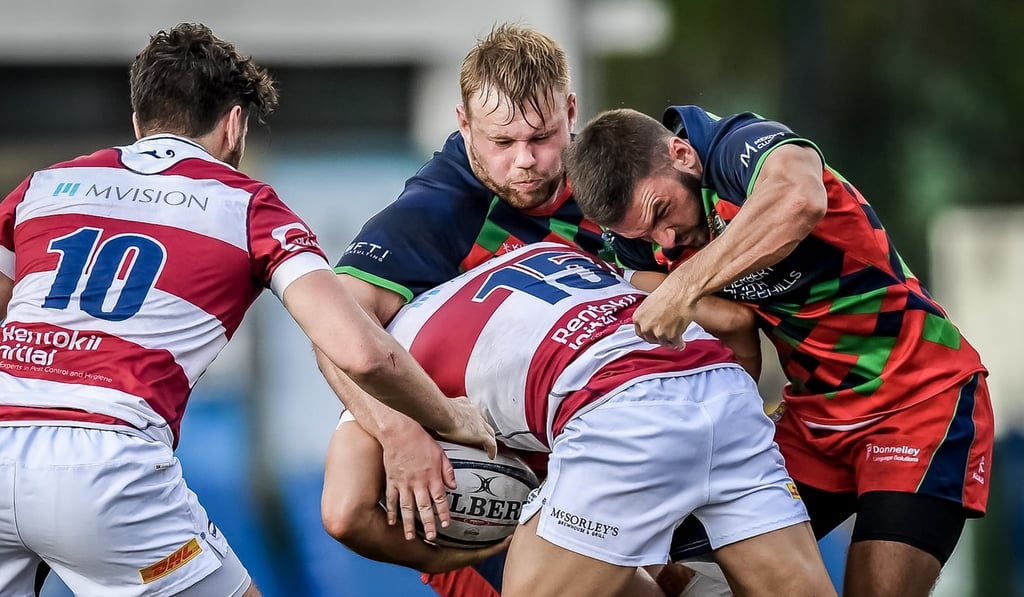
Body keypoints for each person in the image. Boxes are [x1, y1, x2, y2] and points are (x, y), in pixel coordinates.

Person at [0, 23, 494, 597]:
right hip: (105, 464)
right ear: (234, 123)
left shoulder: (40, 187)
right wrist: (450, 417)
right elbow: (362, 354)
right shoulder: (250, 207)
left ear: (139, 123)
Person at [316, 24, 728, 596]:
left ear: (571, 111)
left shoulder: (615, 185)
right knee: (348, 498)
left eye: (542, 137)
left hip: (616, 438)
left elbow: (716, 306)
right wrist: (399, 432)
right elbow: (334, 330)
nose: (526, 162)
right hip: (492, 480)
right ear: (463, 125)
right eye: (501, 143)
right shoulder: (437, 210)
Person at [564, 105, 994, 597]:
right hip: (813, 420)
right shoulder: (650, 237)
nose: (665, 239)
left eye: (662, 215)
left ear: (681, 154)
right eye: (643, 236)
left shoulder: (735, 146)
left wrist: (682, 284)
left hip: (919, 398)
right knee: (672, 576)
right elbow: (735, 328)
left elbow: (799, 199)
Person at [375, 241, 838, 597]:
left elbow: (344, 514)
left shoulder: (394, 353)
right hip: (721, 382)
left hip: (618, 409)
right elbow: (734, 320)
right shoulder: (556, 253)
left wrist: (445, 556)